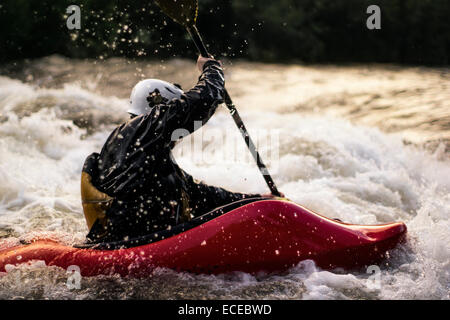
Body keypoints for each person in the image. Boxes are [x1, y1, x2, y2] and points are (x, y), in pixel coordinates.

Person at [80, 56, 279, 244]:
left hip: (138, 239)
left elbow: (198, 195)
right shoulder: (142, 128)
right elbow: (203, 100)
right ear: (159, 109)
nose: (179, 137)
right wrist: (211, 68)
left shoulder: (140, 149)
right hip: (133, 245)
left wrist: (254, 201)